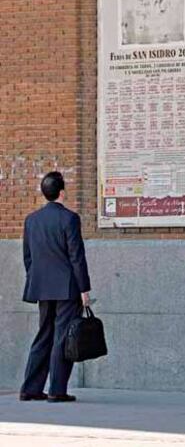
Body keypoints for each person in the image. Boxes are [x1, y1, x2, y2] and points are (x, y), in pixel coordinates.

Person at [20, 171, 91, 403]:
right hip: (67, 287)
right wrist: (84, 289)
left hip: (41, 286)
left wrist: (35, 279)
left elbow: (27, 257)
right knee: (62, 337)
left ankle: (30, 388)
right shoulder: (69, 218)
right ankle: (56, 390)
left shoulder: (31, 219)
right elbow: (76, 257)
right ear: (62, 192)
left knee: (43, 335)